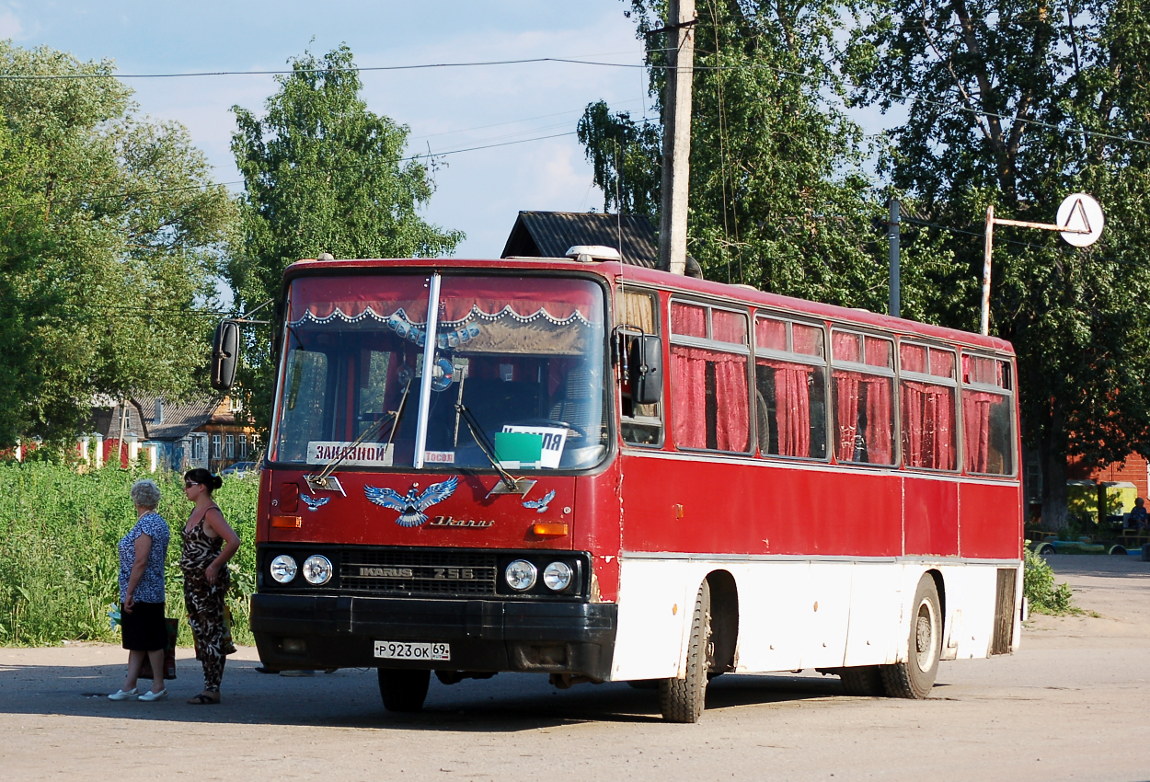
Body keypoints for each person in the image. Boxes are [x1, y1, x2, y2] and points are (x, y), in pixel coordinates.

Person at [180, 468, 241, 705]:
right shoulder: (196, 511)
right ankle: (208, 683)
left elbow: (233, 541)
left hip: (207, 583)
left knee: (212, 631)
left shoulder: (211, 513)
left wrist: (214, 566)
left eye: (188, 484)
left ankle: (212, 687)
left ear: (201, 487)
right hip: (192, 580)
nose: (185, 489)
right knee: (200, 631)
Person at [109, 479, 170, 702]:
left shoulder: (147, 525)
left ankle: (158, 685)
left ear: (136, 499)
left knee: (151, 641)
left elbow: (140, 561)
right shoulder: (157, 522)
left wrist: (129, 593)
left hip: (143, 593)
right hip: (148, 590)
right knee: (136, 641)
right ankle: (129, 685)